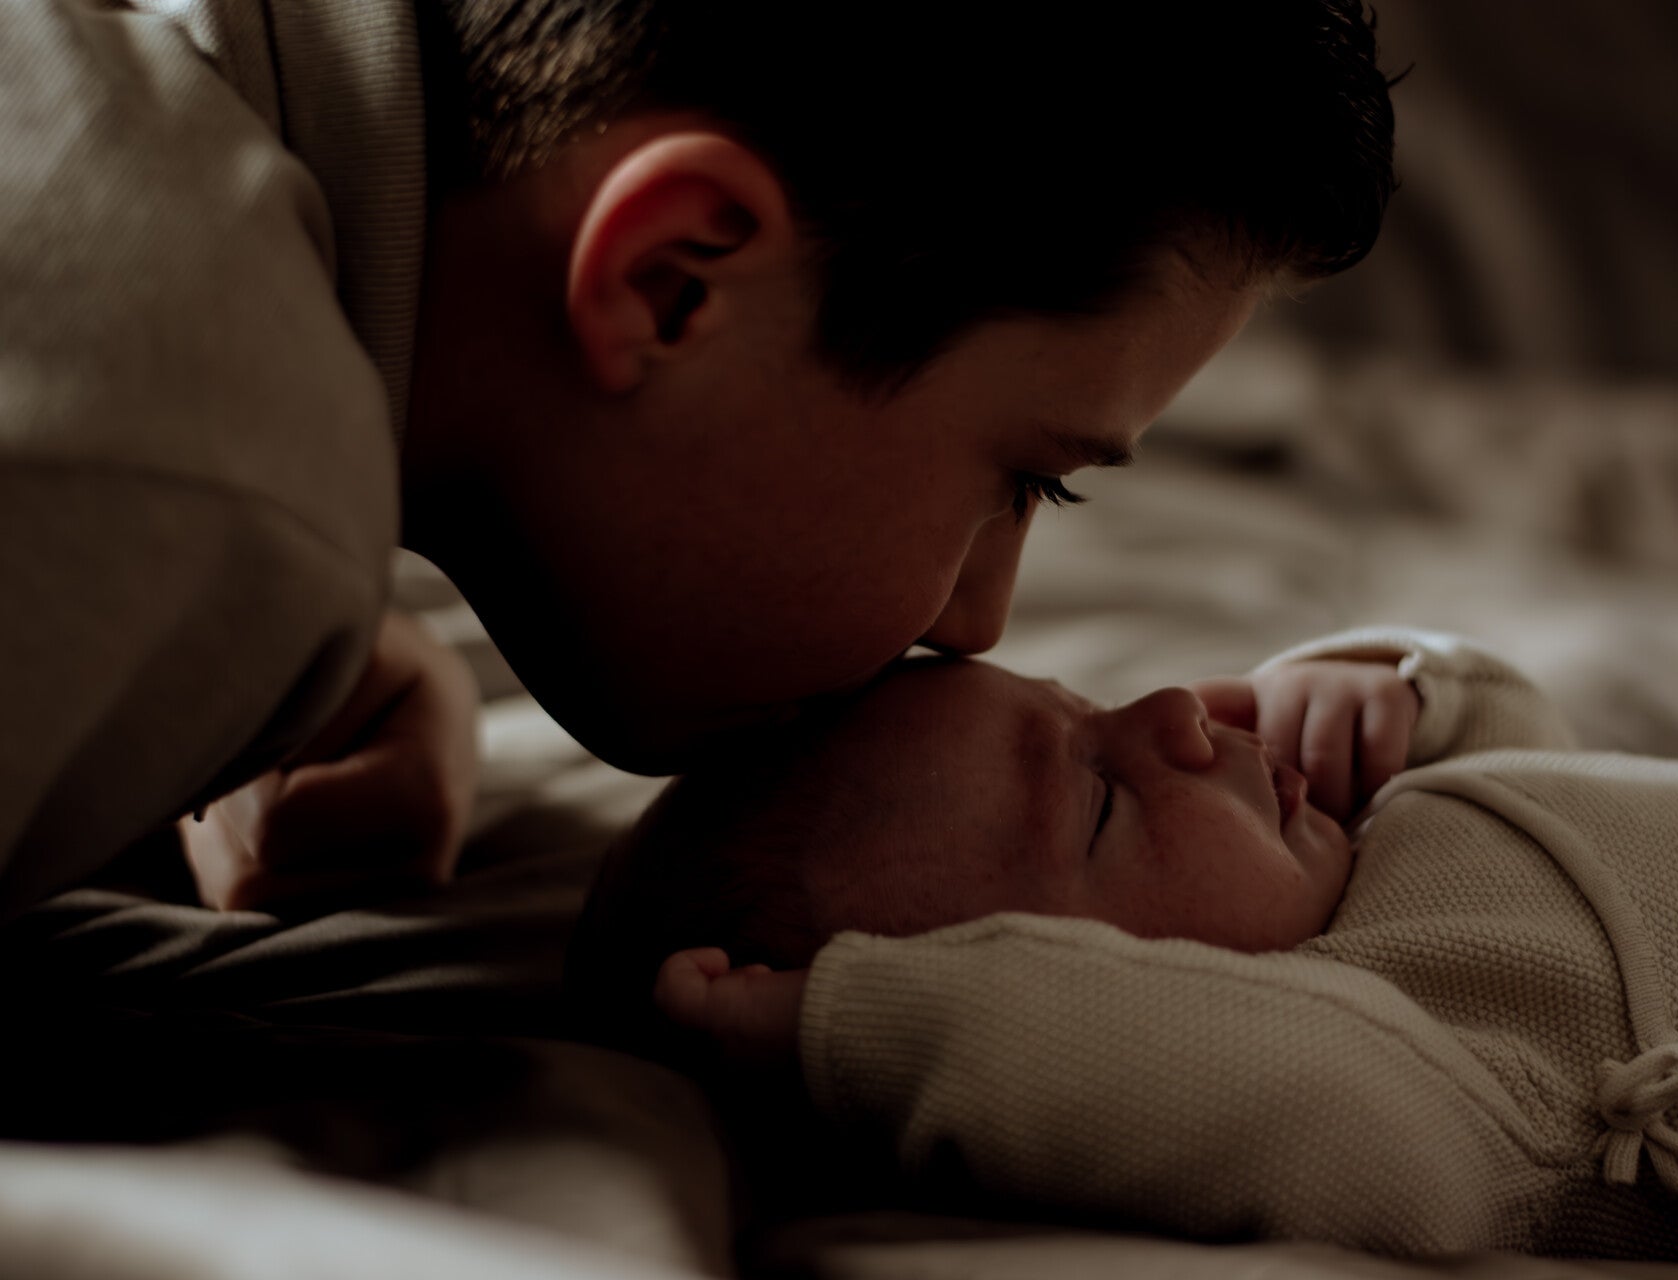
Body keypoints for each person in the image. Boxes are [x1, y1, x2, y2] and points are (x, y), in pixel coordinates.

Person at [0, 1, 1398, 918]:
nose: (976, 623)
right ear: (674, 281)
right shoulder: (171, 469)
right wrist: (238, 564)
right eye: (1022, 480)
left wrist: (325, 649)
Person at [573, 629, 1678, 1274]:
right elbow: (1308, 1113)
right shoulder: (1417, 1054)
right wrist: (864, 1023)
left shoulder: (1371, 840)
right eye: (1101, 801)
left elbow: (1541, 755)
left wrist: (1406, 694)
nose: (1173, 711)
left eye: (1091, 708)